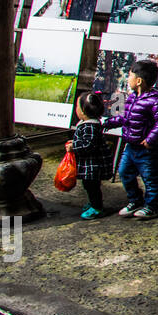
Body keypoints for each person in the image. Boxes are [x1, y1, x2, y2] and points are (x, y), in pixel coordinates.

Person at [104, 59, 158, 219]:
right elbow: (123, 118)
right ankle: (135, 200)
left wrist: (150, 140)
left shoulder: (155, 101)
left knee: (150, 178)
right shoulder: (131, 98)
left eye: (130, 76)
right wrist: (106, 124)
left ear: (139, 81)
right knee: (124, 172)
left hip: (147, 149)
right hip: (130, 146)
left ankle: (151, 206)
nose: (128, 79)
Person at [66, 91, 112, 219]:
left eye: (77, 107)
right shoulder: (89, 124)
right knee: (90, 186)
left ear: (83, 112)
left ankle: (97, 208)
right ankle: (94, 204)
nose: (76, 109)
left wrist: (74, 146)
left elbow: (88, 145)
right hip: (91, 165)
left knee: (92, 187)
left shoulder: (90, 126)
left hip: (93, 165)